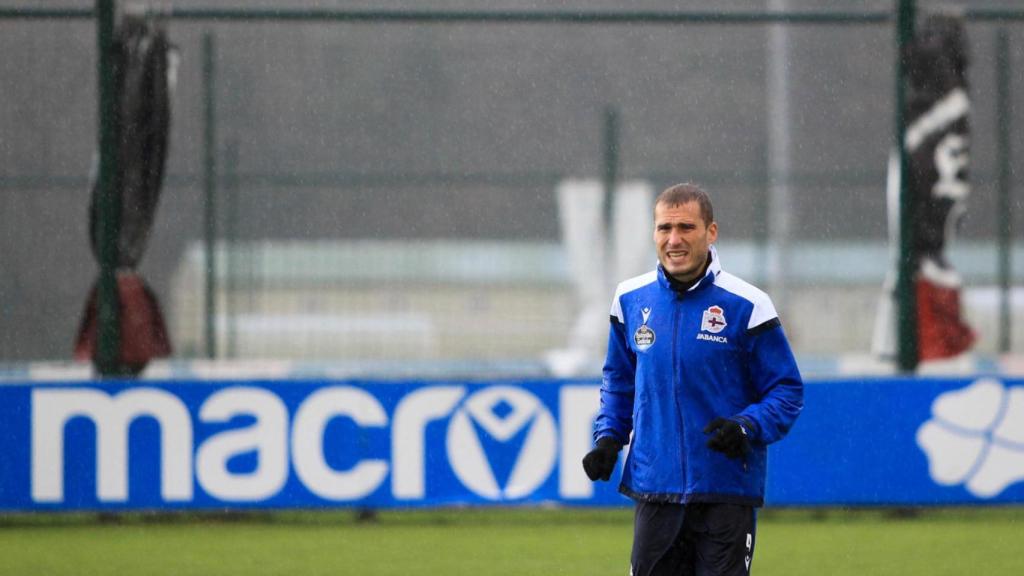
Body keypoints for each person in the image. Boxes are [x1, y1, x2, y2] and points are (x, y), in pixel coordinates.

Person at [582, 183, 803, 576]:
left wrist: (746, 426)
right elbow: (619, 381)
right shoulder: (630, 300)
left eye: (686, 227)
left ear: (711, 233)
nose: (674, 239)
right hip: (655, 487)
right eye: (664, 228)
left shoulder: (748, 305)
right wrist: (608, 438)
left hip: (725, 490)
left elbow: (786, 390)